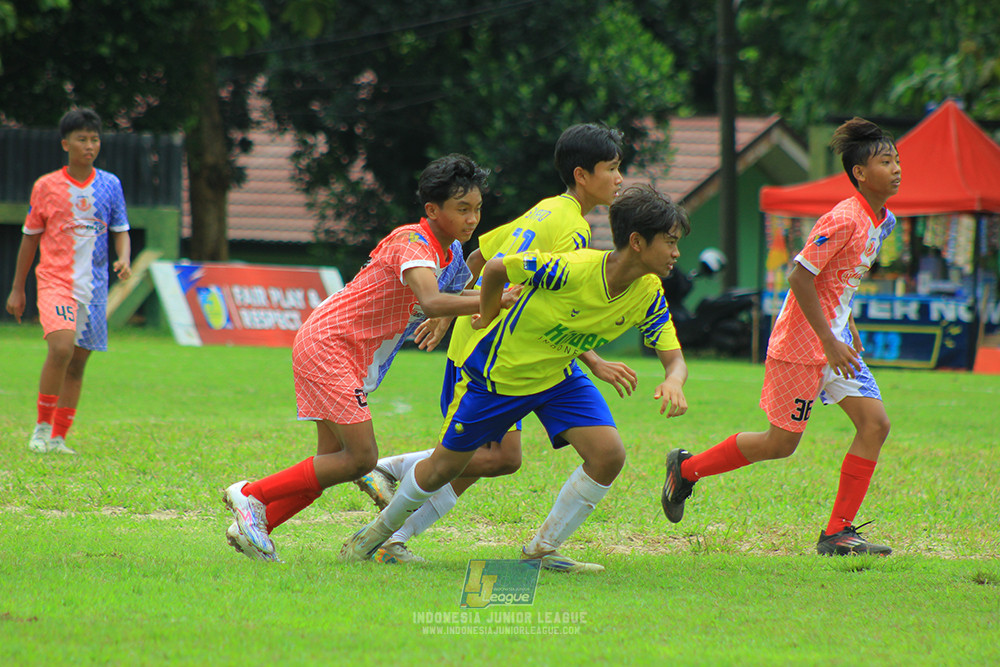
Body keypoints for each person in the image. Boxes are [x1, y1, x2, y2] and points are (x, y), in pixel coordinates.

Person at [341, 183, 691, 573]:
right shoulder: (570, 268)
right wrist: (488, 313)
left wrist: (673, 380)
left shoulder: (648, 291)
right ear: (638, 242)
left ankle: (541, 552)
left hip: (559, 375)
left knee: (608, 454)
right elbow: (492, 266)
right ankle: (375, 536)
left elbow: (673, 358)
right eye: (670, 242)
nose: (677, 253)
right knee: (445, 467)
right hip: (502, 377)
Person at [221, 154, 499, 563]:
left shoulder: (450, 252)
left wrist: (488, 302)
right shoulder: (413, 242)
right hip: (331, 344)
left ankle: (256, 523)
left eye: (476, 208)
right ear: (432, 210)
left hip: (348, 351)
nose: (472, 218)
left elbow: (455, 297)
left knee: (334, 461)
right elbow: (432, 299)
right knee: (361, 459)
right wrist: (497, 298)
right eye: (462, 209)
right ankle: (250, 495)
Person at [660, 117, 901, 556]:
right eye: (886, 161)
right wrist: (829, 338)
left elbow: (839, 280)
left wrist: (847, 326)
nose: (897, 168)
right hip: (803, 345)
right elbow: (799, 275)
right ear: (860, 173)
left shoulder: (882, 220)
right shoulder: (844, 217)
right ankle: (687, 469)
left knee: (875, 424)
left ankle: (838, 533)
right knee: (780, 444)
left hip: (834, 344)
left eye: (897, 160)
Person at [5, 108, 132, 455]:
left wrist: (124, 258)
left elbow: (121, 230)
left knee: (77, 362)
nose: (89, 145)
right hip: (55, 281)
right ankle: (41, 429)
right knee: (60, 348)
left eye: (94, 139)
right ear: (66, 144)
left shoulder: (110, 185)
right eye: (82, 139)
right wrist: (18, 288)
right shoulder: (46, 186)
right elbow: (30, 237)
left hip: (94, 288)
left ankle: (59, 437)